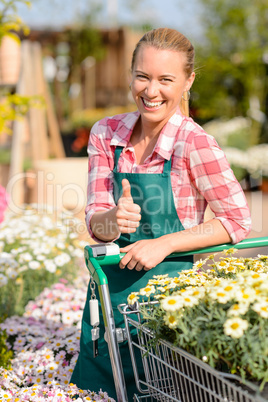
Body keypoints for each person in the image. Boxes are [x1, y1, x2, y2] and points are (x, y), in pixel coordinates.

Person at [70, 28, 251, 399]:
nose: (151, 91)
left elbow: (238, 220)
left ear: (188, 81)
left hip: (166, 315)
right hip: (109, 304)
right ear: (131, 75)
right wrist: (112, 221)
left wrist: (164, 243)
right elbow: (96, 223)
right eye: (143, 76)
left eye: (165, 79)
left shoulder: (194, 142)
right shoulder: (107, 134)